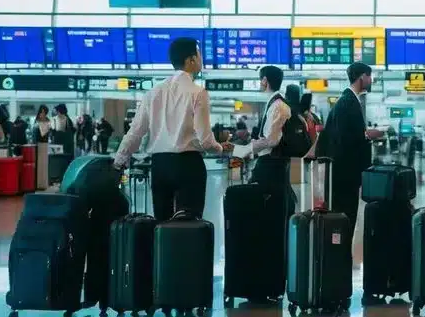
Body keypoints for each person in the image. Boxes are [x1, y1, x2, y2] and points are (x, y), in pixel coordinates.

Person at [113, 37, 228, 221]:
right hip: (189, 165)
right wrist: (221, 148)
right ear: (191, 60)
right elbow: (206, 141)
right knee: (189, 223)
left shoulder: (153, 93)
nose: (201, 59)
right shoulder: (198, 93)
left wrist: (119, 161)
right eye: (199, 55)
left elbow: (135, 132)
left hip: (160, 165)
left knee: (162, 223)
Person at [317, 62, 384, 244]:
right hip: (345, 175)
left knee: (346, 218)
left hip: (344, 174)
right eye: (369, 76)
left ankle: (342, 252)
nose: (371, 80)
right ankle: (341, 253)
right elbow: (344, 138)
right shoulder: (348, 102)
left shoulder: (349, 101)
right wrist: (368, 135)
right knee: (345, 217)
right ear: (362, 77)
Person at [247, 65, 298, 211]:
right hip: (272, 163)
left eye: (260, 80)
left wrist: (245, 149)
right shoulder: (275, 103)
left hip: (271, 164)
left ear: (265, 80)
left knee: (270, 207)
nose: (260, 83)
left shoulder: (277, 106)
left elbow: (271, 140)